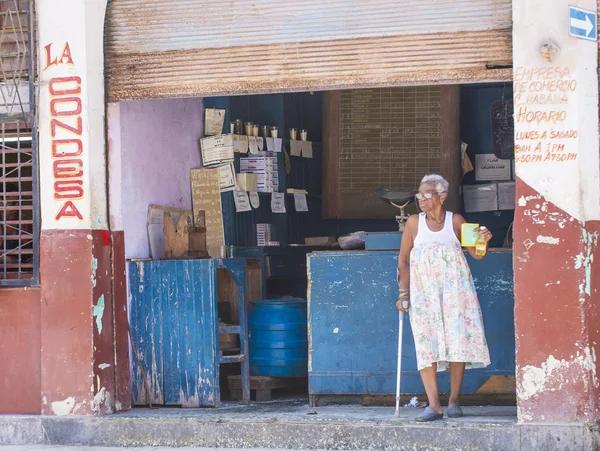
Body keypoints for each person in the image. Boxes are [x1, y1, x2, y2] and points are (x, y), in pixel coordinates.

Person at [396, 174, 492, 422]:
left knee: (457, 342)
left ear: (442, 196)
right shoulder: (414, 224)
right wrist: (403, 293)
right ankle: (434, 404)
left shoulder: (457, 221)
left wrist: (482, 242)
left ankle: (453, 401)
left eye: (427, 194)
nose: (422, 199)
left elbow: (477, 255)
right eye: (419, 195)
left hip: (456, 293)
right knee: (426, 345)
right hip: (423, 294)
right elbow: (404, 260)